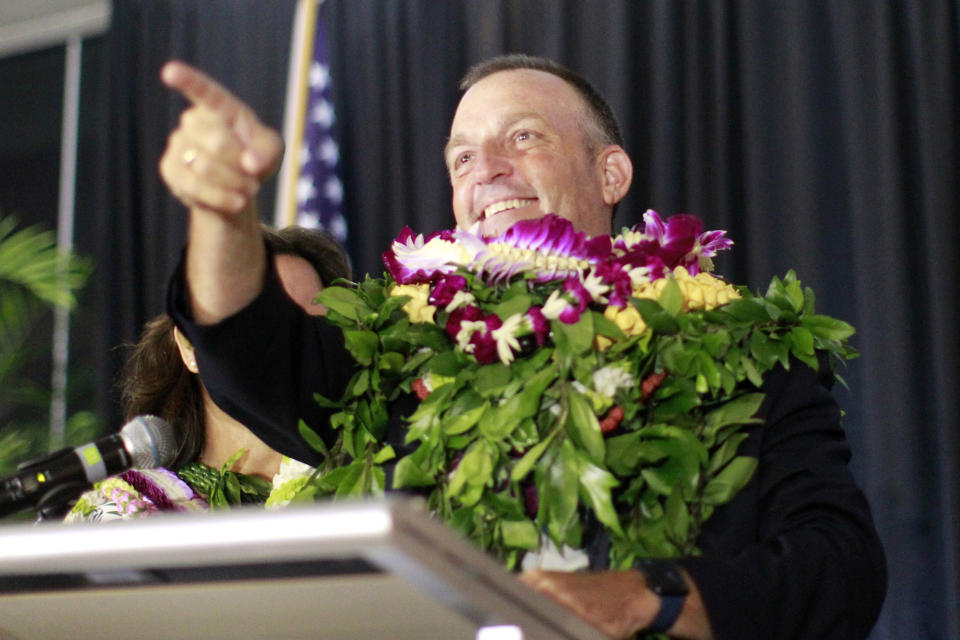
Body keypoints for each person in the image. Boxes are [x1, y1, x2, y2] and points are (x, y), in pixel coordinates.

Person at [158, 55, 886, 639]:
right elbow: (248, 350)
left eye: (524, 137)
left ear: (612, 173)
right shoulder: (401, 352)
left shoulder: (738, 348)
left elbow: (840, 567)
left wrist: (648, 597)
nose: (489, 170)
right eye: (463, 158)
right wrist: (224, 214)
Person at [66, 226, 350, 521]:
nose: (288, 348)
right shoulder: (127, 513)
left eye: (312, 327)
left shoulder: (371, 475)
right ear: (190, 348)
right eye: (262, 328)